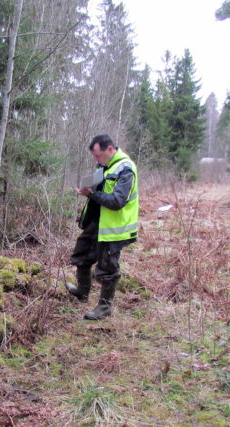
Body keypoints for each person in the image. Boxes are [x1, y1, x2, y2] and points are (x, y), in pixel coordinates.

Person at [66, 134, 139, 320]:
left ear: (110, 150)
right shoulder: (105, 166)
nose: (96, 160)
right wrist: (87, 191)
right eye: (94, 157)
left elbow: (117, 201)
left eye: (98, 156)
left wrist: (92, 194)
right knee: (81, 255)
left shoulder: (126, 168)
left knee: (107, 268)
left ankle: (104, 308)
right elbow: (100, 193)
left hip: (114, 227)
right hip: (96, 222)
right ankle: (82, 292)